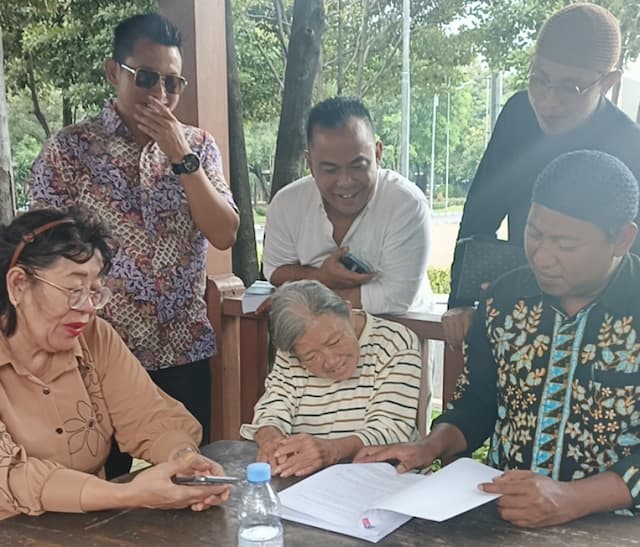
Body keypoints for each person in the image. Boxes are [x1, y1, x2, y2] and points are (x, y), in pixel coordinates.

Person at [356, 150, 640, 527]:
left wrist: (574, 498)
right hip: (505, 515)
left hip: (617, 526)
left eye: (566, 245)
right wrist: (429, 446)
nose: (542, 257)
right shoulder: (505, 300)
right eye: (534, 234)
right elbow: (477, 402)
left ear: (621, 239)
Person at [30, 13, 239, 467]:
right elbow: (40, 252)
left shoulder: (199, 147)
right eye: (146, 78)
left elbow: (224, 233)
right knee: (103, 481)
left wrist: (180, 155)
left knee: (188, 474)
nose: (160, 94)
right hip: (98, 351)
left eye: (172, 83)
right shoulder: (69, 151)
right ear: (114, 72)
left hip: (182, 347)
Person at [0, 207, 231, 520]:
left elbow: (150, 416)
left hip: (87, 529)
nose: (87, 308)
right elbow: (10, 475)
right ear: (18, 285)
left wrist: (184, 459)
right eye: (74, 290)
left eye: (94, 291)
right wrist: (127, 494)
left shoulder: (95, 338)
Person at [444, 3, 640, 350]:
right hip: (519, 303)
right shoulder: (518, 115)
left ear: (608, 83)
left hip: (601, 324)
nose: (549, 101)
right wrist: (462, 300)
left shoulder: (629, 145)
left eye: (571, 87)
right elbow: (479, 214)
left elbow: (631, 257)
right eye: (540, 79)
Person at [262, 96, 432, 315]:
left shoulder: (407, 203)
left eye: (357, 166)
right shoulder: (286, 204)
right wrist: (321, 277)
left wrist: (300, 298)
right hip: (318, 333)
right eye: (330, 170)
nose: (345, 182)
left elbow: (395, 298)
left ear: (378, 154)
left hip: (403, 331)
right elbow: (275, 271)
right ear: (310, 163)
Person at [240, 280, 423, 478]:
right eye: (312, 357)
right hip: (308, 477)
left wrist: (332, 451)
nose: (331, 361)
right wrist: (271, 439)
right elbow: (274, 404)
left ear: (348, 312)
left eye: (334, 342)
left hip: (380, 477)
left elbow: (390, 429)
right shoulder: (293, 351)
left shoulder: (395, 342)